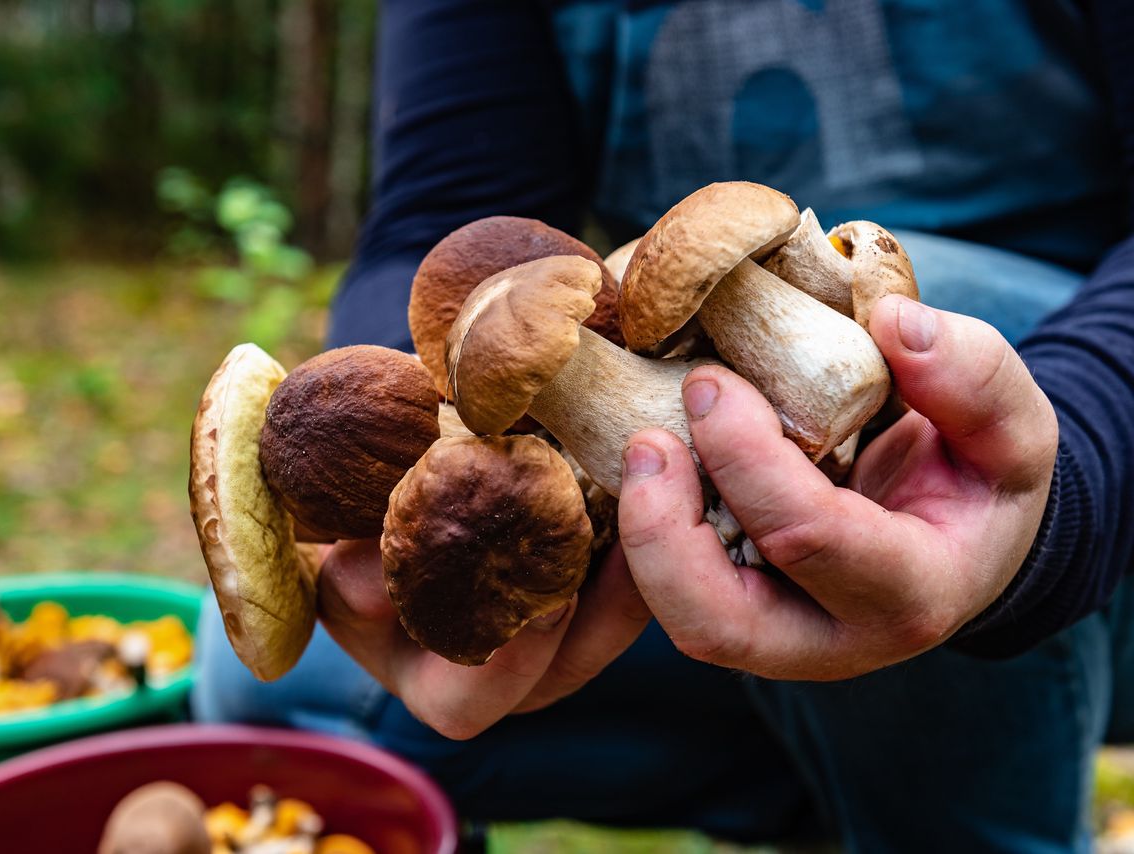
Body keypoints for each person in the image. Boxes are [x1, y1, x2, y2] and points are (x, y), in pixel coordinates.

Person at [195, 1, 1134, 850]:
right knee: (278, 689)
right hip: (676, 433)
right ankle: (831, 767)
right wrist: (417, 476)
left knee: (926, 341)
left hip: (1083, 447)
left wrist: (1072, 479)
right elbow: (445, 220)